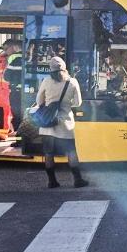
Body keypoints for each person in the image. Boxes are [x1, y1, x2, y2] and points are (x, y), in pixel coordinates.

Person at [37, 56, 87, 188]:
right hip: (65, 125)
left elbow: (38, 101)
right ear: (65, 68)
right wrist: (66, 103)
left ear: (51, 69)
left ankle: (52, 181)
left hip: (48, 125)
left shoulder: (46, 81)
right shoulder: (72, 82)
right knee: (71, 152)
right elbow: (78, 103)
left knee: (48, 154)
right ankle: (77, 180)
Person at [0, 39, 20, 140]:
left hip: (9, 89)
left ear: (13, 47)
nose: (4, 50)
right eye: (3, 48)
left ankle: (2, 135)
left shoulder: (16, 59)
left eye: (6, 48)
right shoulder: (1, 57)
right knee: (1, 114)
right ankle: (5, 132)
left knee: (7, 115)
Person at [3, 40, 24, 137]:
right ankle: (23, 139)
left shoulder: (13, 58)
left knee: (17, 116)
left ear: (15, 47)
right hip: (27, 92)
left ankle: (19, 140)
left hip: (15, 92)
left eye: (6, 48)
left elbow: (6, 76)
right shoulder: (29, 57)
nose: (5, 51)